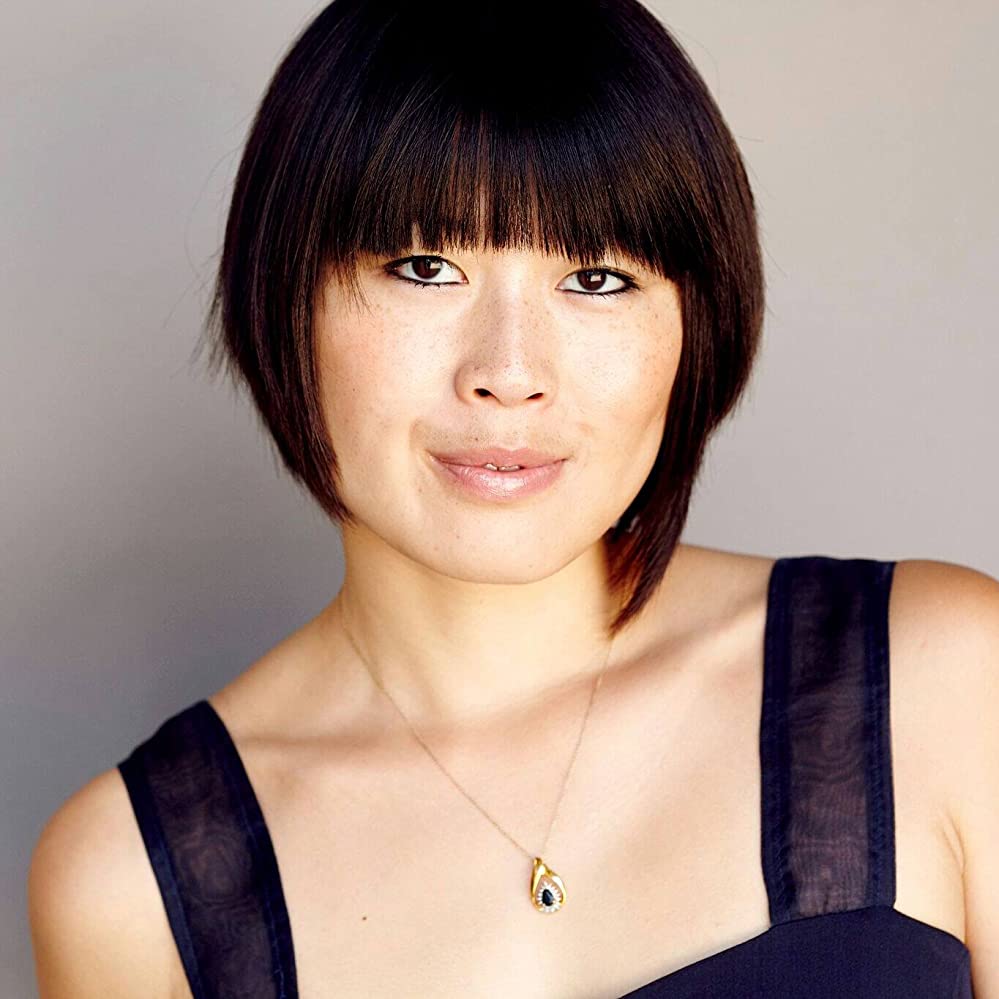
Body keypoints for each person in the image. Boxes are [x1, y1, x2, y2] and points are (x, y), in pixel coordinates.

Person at [26, 1, 997, 996]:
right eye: (425, 268)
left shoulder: (943, 676)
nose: (509, 373)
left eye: (597, 278)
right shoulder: (128, 887)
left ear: (696, 322)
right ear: (285, 298)